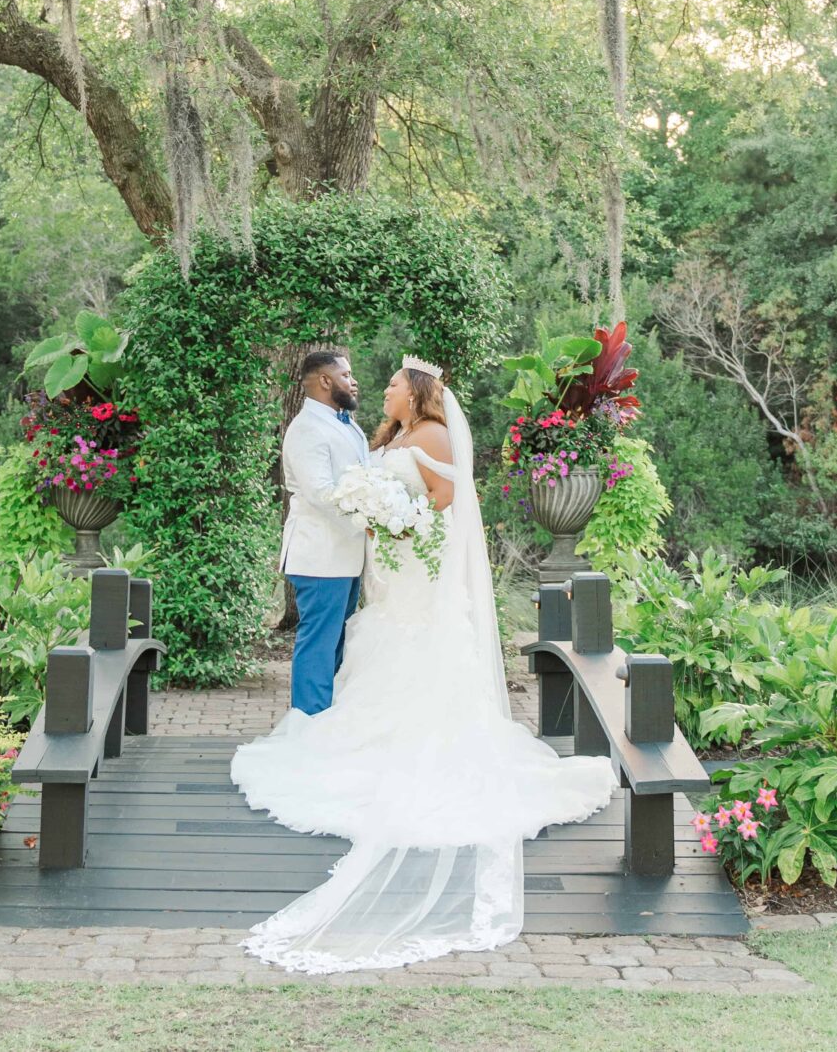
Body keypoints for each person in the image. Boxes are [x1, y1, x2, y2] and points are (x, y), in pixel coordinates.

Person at [232, 357, 617, 973]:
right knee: (367, 646)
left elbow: (445, 500)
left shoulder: (429, 434)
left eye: (390, 383)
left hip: (411, 564)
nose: (380, 388)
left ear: (415, 392)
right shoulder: (388, 435)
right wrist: (382, 516)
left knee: (401, 648)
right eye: (373, 381)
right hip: (384, 562)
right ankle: (345, 732)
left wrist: (398, 521)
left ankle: (397, 737)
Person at [277, 347, 370, 716]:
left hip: (344, 554)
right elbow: (319, 493)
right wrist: (369, 521)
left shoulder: (344, 422)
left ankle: (326, 722)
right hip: (320, 556)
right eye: (346, 375)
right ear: (325, 381)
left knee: (335, 645)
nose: (353, 381)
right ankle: (308, 725)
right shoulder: (307, 429)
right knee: (318, 643)